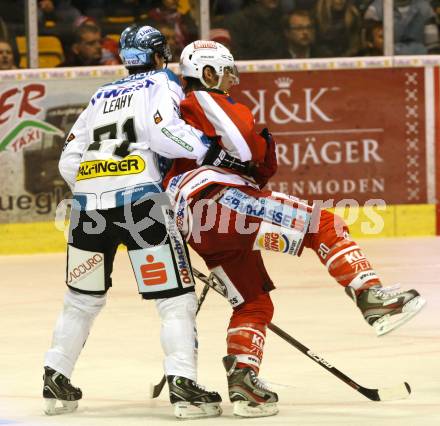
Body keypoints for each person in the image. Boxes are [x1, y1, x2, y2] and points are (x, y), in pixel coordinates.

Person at [163, 40, 426, 416]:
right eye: (224, 73)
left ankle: (244, 383)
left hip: (197, 223)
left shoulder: (171, 116)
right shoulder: (204, 100)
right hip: (221, 199)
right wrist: (257, 157)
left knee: (252, 301)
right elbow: (246, 147)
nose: (229, 82)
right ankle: (372, 298)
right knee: (324, 223)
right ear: (207, 73)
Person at [43, 25, 226, 419]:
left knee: (81, 300)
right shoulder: (163, 82)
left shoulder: (100, 94)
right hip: (141, 206)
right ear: (160, 54)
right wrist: (207, 151)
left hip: (88, 210)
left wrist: (98, 187)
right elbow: (163, 133)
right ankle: (183, 385)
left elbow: (67, 159)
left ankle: (55, 375)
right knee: (174, 301)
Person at [364, 0, 439, 54]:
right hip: (385, 66)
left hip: (421, 65)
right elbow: (374, 47)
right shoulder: (375, 11)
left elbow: (433, 47)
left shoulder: (425, 8)